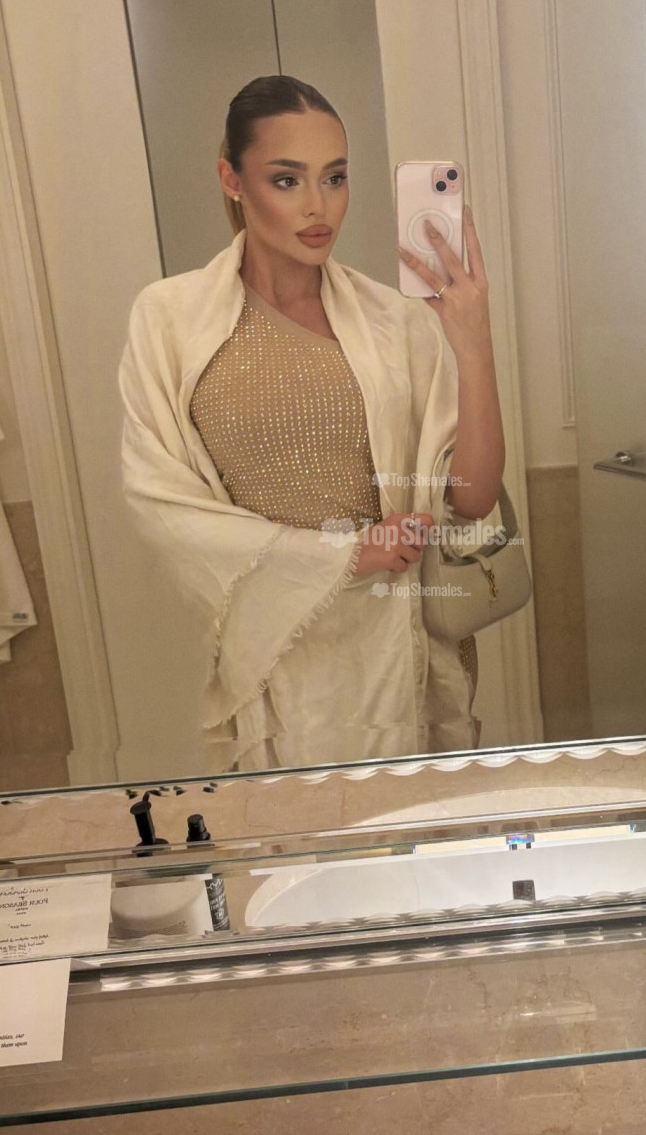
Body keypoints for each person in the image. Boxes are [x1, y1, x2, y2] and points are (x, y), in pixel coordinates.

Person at [119, 75, 505, 771]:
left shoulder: (395, 321)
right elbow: (161, 504)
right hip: (277, 650)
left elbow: (471, 500)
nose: (318, 206)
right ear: (232, 180)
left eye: (334, 177)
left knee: (408, 833)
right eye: (286, 180)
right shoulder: (170, 318)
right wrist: (345, 555)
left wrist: (472, 342)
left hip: (400, 650)